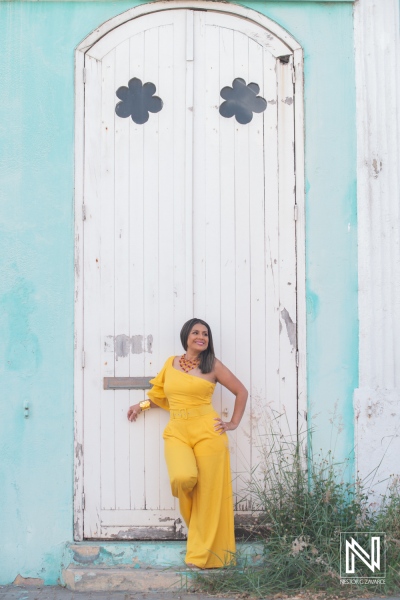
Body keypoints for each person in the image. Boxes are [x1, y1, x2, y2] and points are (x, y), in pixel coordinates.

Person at [127, 318, 248, 569]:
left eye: (205, 333)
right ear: (186, 336)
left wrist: (233, 423)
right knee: (183, 478)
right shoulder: (171, 363)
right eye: (196, 332)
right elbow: (162, 396)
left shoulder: (212, 365)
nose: (200, 337)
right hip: (178, 431)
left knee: (210, 495)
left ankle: (202, 554)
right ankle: (200, 535)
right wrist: (142, 405)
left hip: (208, 431)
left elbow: (241, 391)